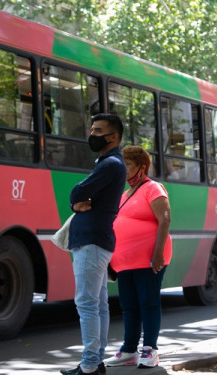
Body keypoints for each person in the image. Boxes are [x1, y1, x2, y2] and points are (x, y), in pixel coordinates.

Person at [62, 113, 126, 375]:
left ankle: (89, 364)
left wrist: (76, 201)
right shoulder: (110, 162)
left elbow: (78, 192)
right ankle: (95, 361)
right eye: (92, 129)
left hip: (92, 241)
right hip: (96, 240)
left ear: (113, 137)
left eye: (98, 130)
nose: (92, 134)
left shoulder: (110, 164)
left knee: (87, 304)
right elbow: (80, 195)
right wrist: (77, 203)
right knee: (98, 304)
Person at [104, 145, 172, 369]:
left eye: (128, 165)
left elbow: (165, 219)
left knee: (148, 303)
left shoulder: (153, 188)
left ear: (141, 168)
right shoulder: (124, 194)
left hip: (149, 260)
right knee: (129, 306)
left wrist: (158, 253)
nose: (124, 170)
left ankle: (149, 350)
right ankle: (129, 350)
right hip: (125, 263)